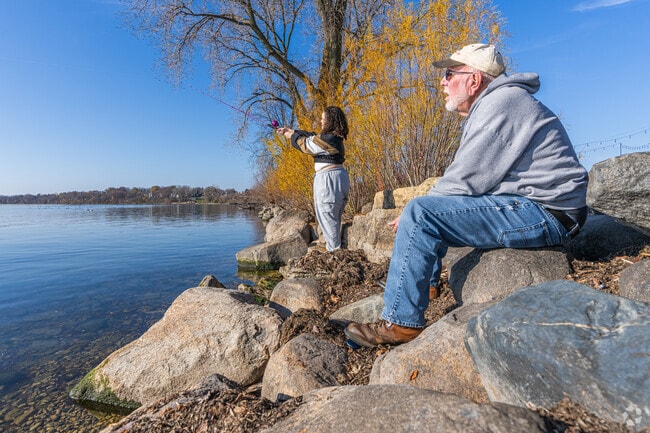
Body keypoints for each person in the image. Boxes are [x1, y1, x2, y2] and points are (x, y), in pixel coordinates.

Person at [344, 43, 589, 348]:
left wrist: (413, 214)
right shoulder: (497, 103)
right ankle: (424, 286)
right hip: (537, 205)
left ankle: (402, 322)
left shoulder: (502, 102)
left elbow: (467, 179)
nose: (443, 82)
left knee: (421, 214)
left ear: (474, 80)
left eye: (449, 74)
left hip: (548, 212)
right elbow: (466, 178)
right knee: (424, 211)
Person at [276, 106, 351, 251]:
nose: (321, 121)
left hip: (328, 180)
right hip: (338, 177)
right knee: (333, 217)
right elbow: (311, 136)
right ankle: (335, 250)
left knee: (328, 217)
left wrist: (290, 136)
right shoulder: (334, 139)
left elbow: (305, 144)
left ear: (331, 121)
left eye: (324, 118)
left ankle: (334, 254)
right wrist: (292, 131)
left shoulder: (328, 139)